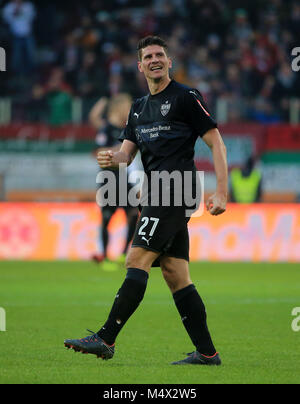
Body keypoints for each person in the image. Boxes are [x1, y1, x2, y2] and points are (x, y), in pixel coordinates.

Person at [64, 35, 228, 365]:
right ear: (140, 66)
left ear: (169, 62)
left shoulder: (186, 97)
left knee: (135, 258)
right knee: (175, 273)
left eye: (159, 54)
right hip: (157, 191)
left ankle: (106, 338)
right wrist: (111, 158)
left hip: (177, 190)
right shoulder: (138, 109)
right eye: (148, 56)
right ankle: (207, 353)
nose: (154, 59)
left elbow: (217, 143)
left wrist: (221, 191)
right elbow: (126, 154)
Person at [89, 93, 139, 271]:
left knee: (134, 214)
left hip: (124, 177)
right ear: (119, 108)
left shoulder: (128, 129)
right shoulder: (107, 128)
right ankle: (104, 256)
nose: (129, 110)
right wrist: (120, 150)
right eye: (127, 106)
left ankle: (124, 253)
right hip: (109, 178)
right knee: (107, 217)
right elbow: (99, 151)